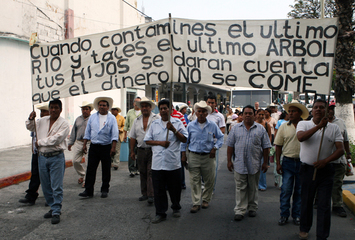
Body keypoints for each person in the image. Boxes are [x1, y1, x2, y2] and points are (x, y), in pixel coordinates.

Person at [296, 99, 344, 240]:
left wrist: (325, 161)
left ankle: (322, 235)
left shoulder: (334, 128)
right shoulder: (303, 124)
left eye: (322, 107)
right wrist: (318, 127)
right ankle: (304, 228)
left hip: (326, 170)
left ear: (327, 110)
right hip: (307, 170)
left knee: (324, 204)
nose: (318, 110)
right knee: (306, 201)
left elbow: (340, 150)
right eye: (316, 107)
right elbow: (301, 138)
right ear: (312, 111)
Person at [26, 99, 70, 224]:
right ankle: (52, 207)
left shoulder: (64, 124)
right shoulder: (42, 121)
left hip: (56, 157)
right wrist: (30, 119)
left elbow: (56, 139)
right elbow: (30, 127)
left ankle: (56, 210)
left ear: (60, 110)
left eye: (56, 108)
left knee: (56, 185)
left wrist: (39, 142)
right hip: (42, 156)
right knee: (46, 185)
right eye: (51, 107)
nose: (53, 110)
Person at [144, 99, 188, 224]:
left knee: (175, 188)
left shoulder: (178, 122)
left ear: (171, 109)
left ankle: (176, 207)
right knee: (158, 190)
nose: (163, 111)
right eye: (161, 108)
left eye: (166, 108)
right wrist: (160, 143)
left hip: (172, 163)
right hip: (158, 163)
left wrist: (174, 130)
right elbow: (147, 140)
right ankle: (160, 213)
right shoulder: (154, 124)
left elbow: (184, 139)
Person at [227, 105, 271, 221]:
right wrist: (229, 161)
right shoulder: (236, 128)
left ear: (254, 115)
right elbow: (230, 145)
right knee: (240, 187)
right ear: (242, 114)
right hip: (239, 163)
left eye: (250, 113)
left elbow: (266, 147)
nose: (247, 115)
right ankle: (240, 210)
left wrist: (265, 163)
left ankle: (252, 207)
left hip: (255, 163)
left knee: (253, 186)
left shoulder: (260, 129)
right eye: (245, 113)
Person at [181, 101, 224, 213]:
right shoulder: (190, 126)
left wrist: (215, 148)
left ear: (206, 113)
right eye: (199, 111)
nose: (200, 113)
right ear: (195, 112)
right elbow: (185, 141)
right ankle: (196, 202)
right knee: (194, 180)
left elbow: (221, 137)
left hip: (208, 157)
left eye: (203, 111)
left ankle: (205, 199)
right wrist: (183, 155)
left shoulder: (212, 125)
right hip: (194, 156)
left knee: (209, 179)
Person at [274, 101, 309, 226]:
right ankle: (284, 215)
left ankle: (297, 215)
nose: (291, 113)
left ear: (300, 113)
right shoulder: (283, 126)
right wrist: (278, 163)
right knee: (286, 190)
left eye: (293, 111)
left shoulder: (306, 126)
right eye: (289, 111)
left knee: (299, 191)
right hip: (288, 162)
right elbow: (278, 146)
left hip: (303, 163)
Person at [79, 97, 118, 199]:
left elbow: (115, 134)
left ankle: (104, 189)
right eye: (100, 105)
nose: (101, 107)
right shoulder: (92, 118)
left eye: (104, 105)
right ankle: (88, 190)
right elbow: (87, 132)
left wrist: (113, 148)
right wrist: (84, 144)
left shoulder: (112, 118)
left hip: (106, 147)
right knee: (91, 169)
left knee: (106, 169)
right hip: (94, 146)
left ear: (108, 107)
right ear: (97, 107)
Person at [129, 97, 160, 204]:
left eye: (147, 106)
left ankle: (151, 194)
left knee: (150, 172)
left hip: (153, 150)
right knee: (142, 172)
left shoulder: (156, 118)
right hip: (141, 149)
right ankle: (144, 193)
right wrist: (132, 151)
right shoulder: (136, 120)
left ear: (151, 107)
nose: (144, 108)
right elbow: (132, 137)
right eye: (142, 106)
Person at [19, 103, 49, 206]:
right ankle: (31, 196)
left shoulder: (51, 124)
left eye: (44, 111)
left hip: (46, 153)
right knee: (35, 174)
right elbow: (30, 127)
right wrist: (31, 119)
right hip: (36, 153)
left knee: (47, 176)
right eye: (41, 112)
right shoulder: (38, 122)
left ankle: (50, 197)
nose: (42, 114)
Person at [328, 105, 350, 218]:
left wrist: (349, 155)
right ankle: (318, 201)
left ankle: (337, 205)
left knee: (337, 184)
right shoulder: (316, 123)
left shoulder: (340, 123)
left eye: (331, 111)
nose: (329, 112)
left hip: (339, 160)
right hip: (323, 160)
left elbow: (345, 140)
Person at [68, 101, 93, 187]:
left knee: (87, 162)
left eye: (86, 109)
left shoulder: (93, 119)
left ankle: (86, 181)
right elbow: (73, 132)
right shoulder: (78, 119)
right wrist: (70, 143)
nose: (84, 111)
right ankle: (82, 174)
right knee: (75, 161)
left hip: (89, 143)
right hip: (78, 142)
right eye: (83, 109)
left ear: (90, 110)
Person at [206, 94, 226, 192]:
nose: (210, 104)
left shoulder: (219, 116)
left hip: (213, 145)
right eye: (209, 102)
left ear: (215, 104)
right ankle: (204, 186)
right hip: (201, 145)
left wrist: (213, 134)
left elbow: (222, 130)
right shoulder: (202, 113)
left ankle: (211, 189)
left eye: (212, 103)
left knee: (213, 167)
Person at [124, 97, 142, 177]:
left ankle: (138, 168)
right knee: (131, 153)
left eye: (139, 102)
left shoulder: (143, 112)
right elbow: (126, 124)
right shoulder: (130, 112)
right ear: (133, 103)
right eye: (136, 102)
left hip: (141, 137)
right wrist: (124, 135)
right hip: (131, 137)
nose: (137, 104)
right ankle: (132, 169)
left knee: (140, 153)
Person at [255, 109, 271, 192]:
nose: (261, 116)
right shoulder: (253, 123)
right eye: (260, 114)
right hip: (255, 147)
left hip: (263, 147)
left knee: (262, 165)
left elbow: (269, 136)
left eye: (263, 114)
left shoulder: (266, 124)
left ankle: (262, 184)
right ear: (256, 114)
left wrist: (268, 147)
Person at [110, 105, 125, 170]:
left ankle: (116, 164)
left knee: (117, 150)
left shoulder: (121, 118)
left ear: (117, 111)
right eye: (112, 110)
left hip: (118, 136)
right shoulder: (109, 117)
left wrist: (121, 130)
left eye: (114, 110)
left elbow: (124, 125)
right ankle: (110, 162)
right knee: (109, 149)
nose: (113, 111)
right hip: (109, 136)